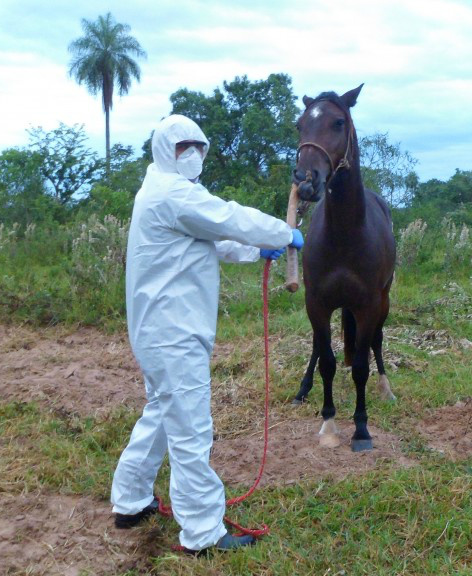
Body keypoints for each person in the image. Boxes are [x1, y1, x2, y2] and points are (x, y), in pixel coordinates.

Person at [110, 114, 304, 553]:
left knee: (162, 414)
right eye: (183, 147)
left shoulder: (168, 194)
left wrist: (261, 248)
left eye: (198, 146)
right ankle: (202, 533)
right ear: (165, 150)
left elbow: (215, 239)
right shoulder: (171, 194)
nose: (193, 155)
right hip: (173, 333)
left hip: (164, 331)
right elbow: (228, 217)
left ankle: (130, 499)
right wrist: (283, 231)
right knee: (191, 431)